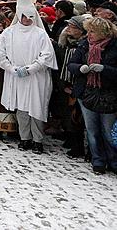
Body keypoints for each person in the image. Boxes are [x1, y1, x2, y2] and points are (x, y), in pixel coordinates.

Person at [0, 6, 57, 154]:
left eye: (30, 17)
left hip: (36, 77)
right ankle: (25, 138)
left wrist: (32, 68)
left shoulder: (41, 34)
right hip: (17, 77)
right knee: (21, 109)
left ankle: (38, 140)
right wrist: (12, 69)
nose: (27, 20)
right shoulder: (9, 33)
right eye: (24, 17)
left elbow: (47, 55)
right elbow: (0, 55)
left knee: (37, 108)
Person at [67, 16, 117, 174]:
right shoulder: (84, 45)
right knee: (91, 130)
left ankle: (114, 161)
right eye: (88, 31)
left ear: (103, 32)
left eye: (92, 32)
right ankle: (98, 161)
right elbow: (71, 64)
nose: (89, 35)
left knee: (108, 132)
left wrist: (104, 69)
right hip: (87, 92)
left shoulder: (114, 47)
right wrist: (80, 68)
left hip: (109, 94)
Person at [54, 14, 89, 157]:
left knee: (78, 118)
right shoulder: (63, 43)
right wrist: (61, 84)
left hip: (79, 85)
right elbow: (59, 64)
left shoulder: (84, 45)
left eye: (72, 26)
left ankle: (80, 146)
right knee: (68, 115)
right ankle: (72, 141)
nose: (68, 28)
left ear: (81, 30)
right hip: (64, 83)